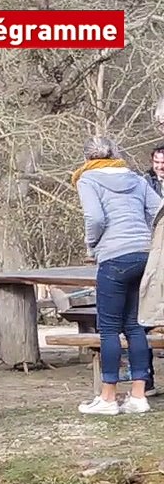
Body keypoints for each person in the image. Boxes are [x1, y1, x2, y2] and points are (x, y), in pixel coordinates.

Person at [74, 135, 162, 415]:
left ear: (89, 158)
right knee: (136, 327)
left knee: (109, 329)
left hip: (114, 256)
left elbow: (95, 218)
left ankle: (108, 398)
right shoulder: (136, 179)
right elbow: (159, 209)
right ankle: (138, 396)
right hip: (143, 255)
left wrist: (92, 244)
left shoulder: (87, 179)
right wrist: (147, 236)